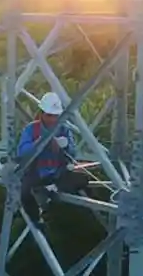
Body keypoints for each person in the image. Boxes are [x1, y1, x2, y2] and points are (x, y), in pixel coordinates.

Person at [15, 91, 90, 225]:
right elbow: (21, 152)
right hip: (36, 174)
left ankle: (51, 190)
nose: (52, 119)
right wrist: (39, 143)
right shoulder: (31, 129)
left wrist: (65, 146)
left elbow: (73, 153)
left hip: (57, 173)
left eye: (55, 116)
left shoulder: (64, 130)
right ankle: (36, 219)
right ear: (42, 113)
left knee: (83, 179)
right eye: (49, 115)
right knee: (24, 194)